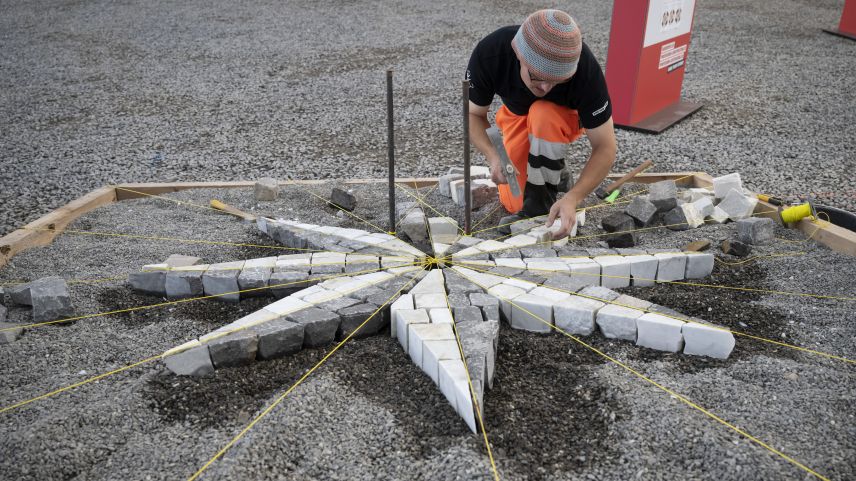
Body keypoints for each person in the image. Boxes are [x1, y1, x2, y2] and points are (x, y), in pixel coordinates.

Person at [466, 9, 616, 238]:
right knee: (514, 202)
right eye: (537, 76)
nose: (546, 89)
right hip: (516, 115)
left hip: (559, 120)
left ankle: (546, 187)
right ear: (519, 56)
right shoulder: (491, 53)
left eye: (558, 81)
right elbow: (473, 115)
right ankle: (558, 171)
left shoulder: (586, 72)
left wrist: (573, 198)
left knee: (543, 111)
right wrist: (494, 155)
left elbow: (606, 147)